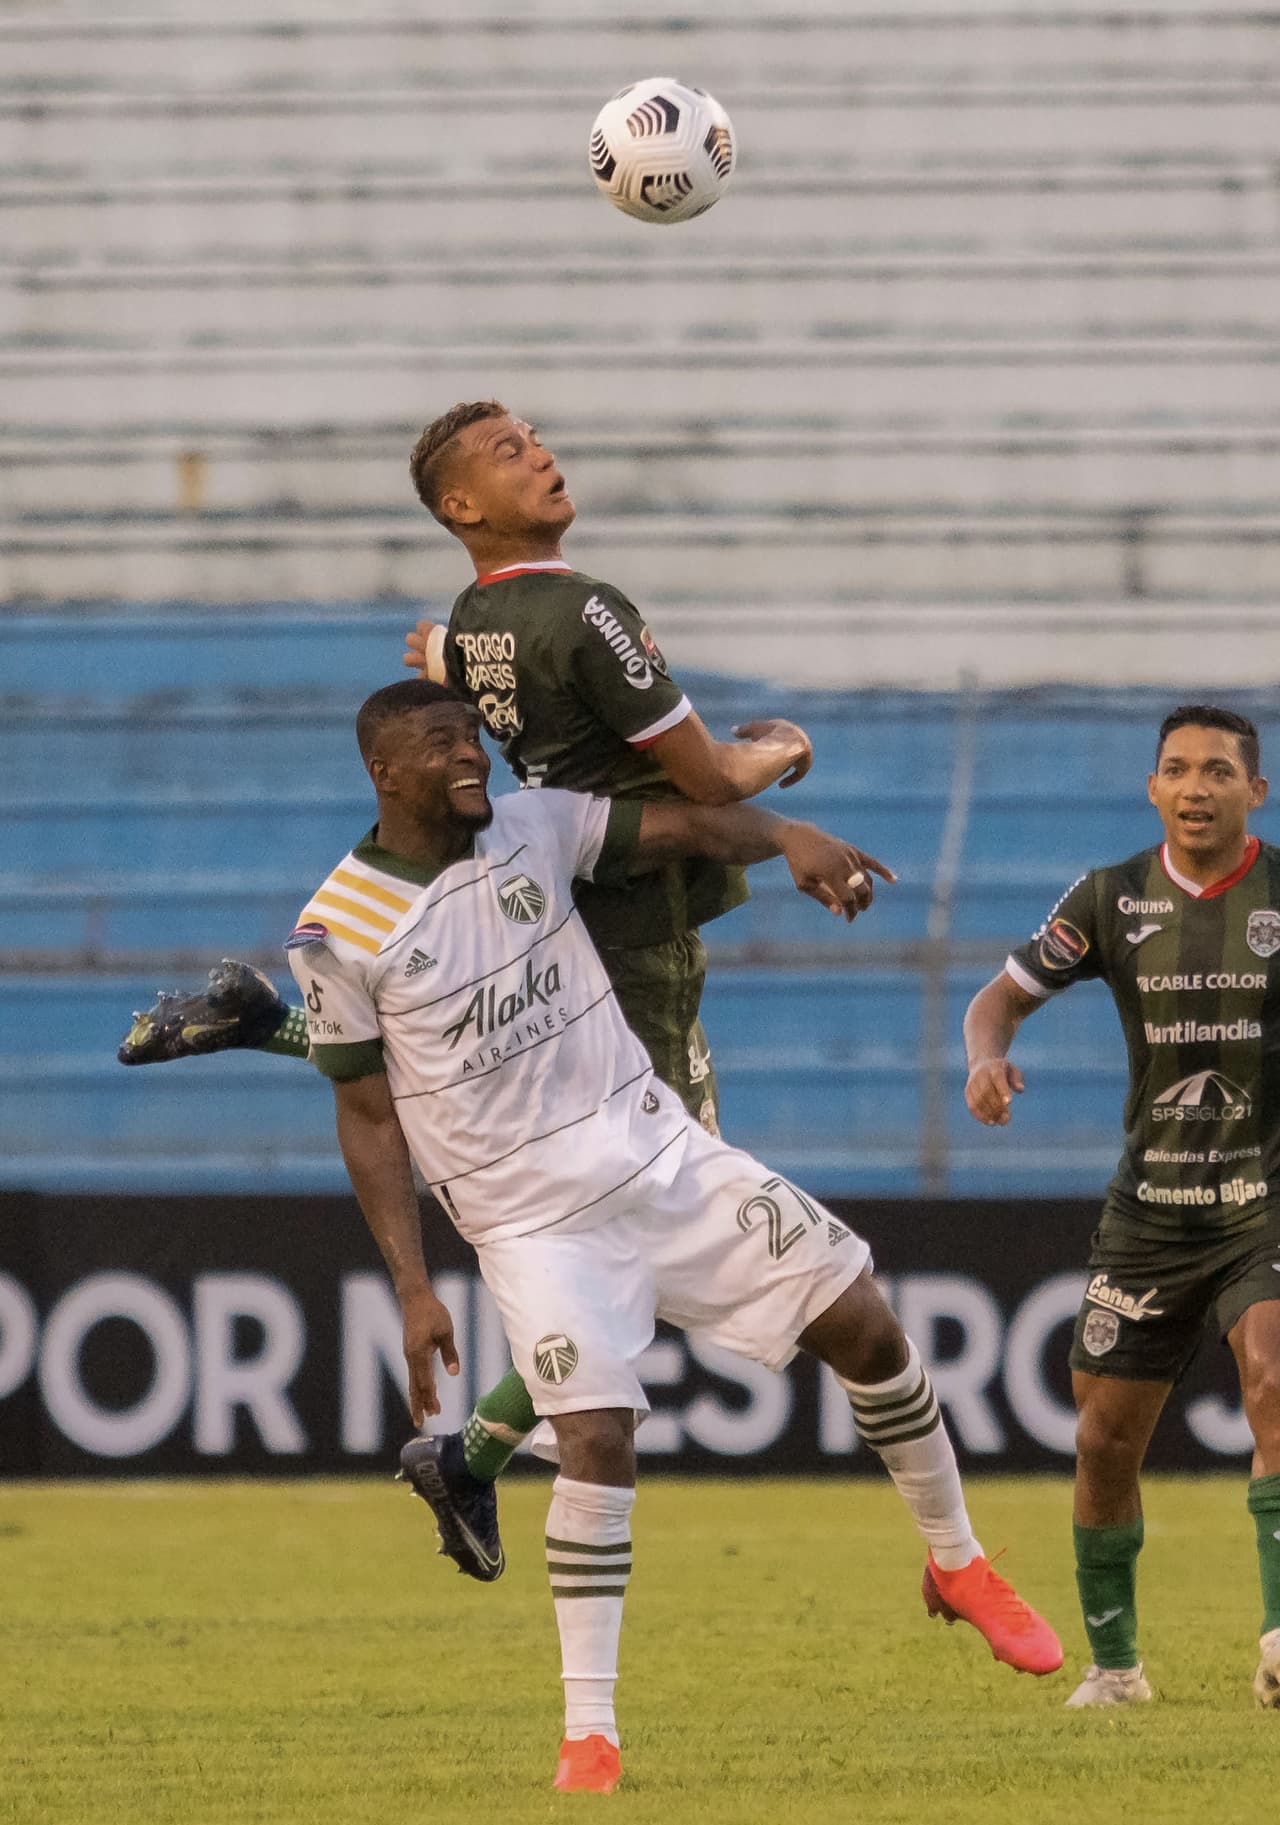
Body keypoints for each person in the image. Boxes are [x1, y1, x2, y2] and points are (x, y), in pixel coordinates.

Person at [293, 677, 1061, 1793]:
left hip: (659, 1153)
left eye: (472, 737)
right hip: (529, 1220)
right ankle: (589, 1733)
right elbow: (366, 1116)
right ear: (383, 770)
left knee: (865, 1323)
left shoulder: (535, 824)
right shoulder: (336, 930)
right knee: (596, 1433)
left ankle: (959, 1564)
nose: (471, 757)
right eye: (442, 744)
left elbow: (690, 827)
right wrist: (413, 1286)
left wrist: (787, 837)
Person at [118, 401, 817, 1578]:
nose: (541, 453)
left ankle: (465, 1456)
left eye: (534, 439)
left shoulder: (482, 615)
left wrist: (448, 654)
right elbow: (706, 777)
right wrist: (784, 750)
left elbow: (488, 662)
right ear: (459, 504)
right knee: (647, 1233)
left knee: (570, 1185)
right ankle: (471, 1460)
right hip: (615, 928)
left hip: (550, 912)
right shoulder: (580, 607)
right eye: (509, 449)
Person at [962, 704, 1280, 1711]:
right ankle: (1114, 1669)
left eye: (1218, 771)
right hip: (1148, 1213)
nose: (1196, 787)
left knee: (1274, 1377)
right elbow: (997, 998)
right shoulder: (1109, 897)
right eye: (1177, 769)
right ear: (1151, 788)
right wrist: (984, 1058)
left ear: (1255, 791)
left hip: (1261, 1200)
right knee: (1102, 1441)